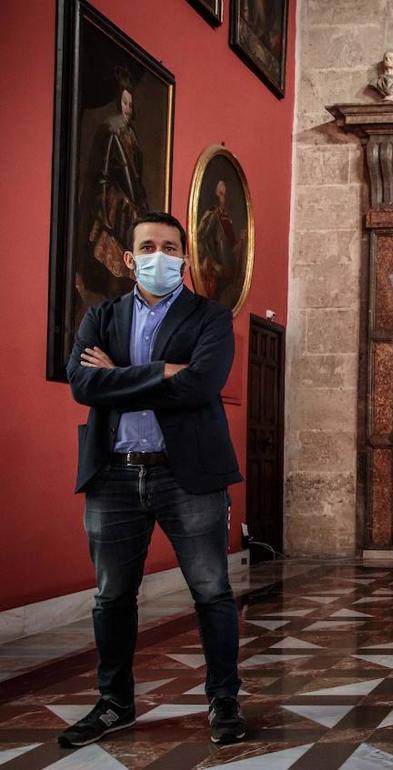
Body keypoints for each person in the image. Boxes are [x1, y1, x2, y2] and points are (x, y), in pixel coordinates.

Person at [62, 212, 246, 748]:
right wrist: (162, 371)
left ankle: (224, 698)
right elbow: (80, 383)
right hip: (113, 476)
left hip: (187, 474)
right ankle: (115, 702)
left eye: (169, 247)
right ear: (128, 257)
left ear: (184, 258)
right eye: (148, 246)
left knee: (212, 591)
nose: (158, 256)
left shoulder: (210, 317)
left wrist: (114, 376)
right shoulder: (101, 316)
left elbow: (199, 386)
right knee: (111, 596)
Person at [77, 67, 151, 310]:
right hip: (114, 206)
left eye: (131, 104)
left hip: (130, 208)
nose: (128, 108)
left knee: (125, 279)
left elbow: (136, 177)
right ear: (119, 103)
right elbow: (105, 172)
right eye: (125, 103)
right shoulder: (112, 130)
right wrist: (107, 211)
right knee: (112, 271)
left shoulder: (132, 137)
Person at [196, 179, 242, 306]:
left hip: (225, 269)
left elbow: (230, 243)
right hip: (213, 266)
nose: (223, 198)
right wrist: (214, 263)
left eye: (224, 194)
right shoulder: (211, 216)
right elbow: (203, 239)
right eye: (220, 193)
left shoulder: (227, 218)